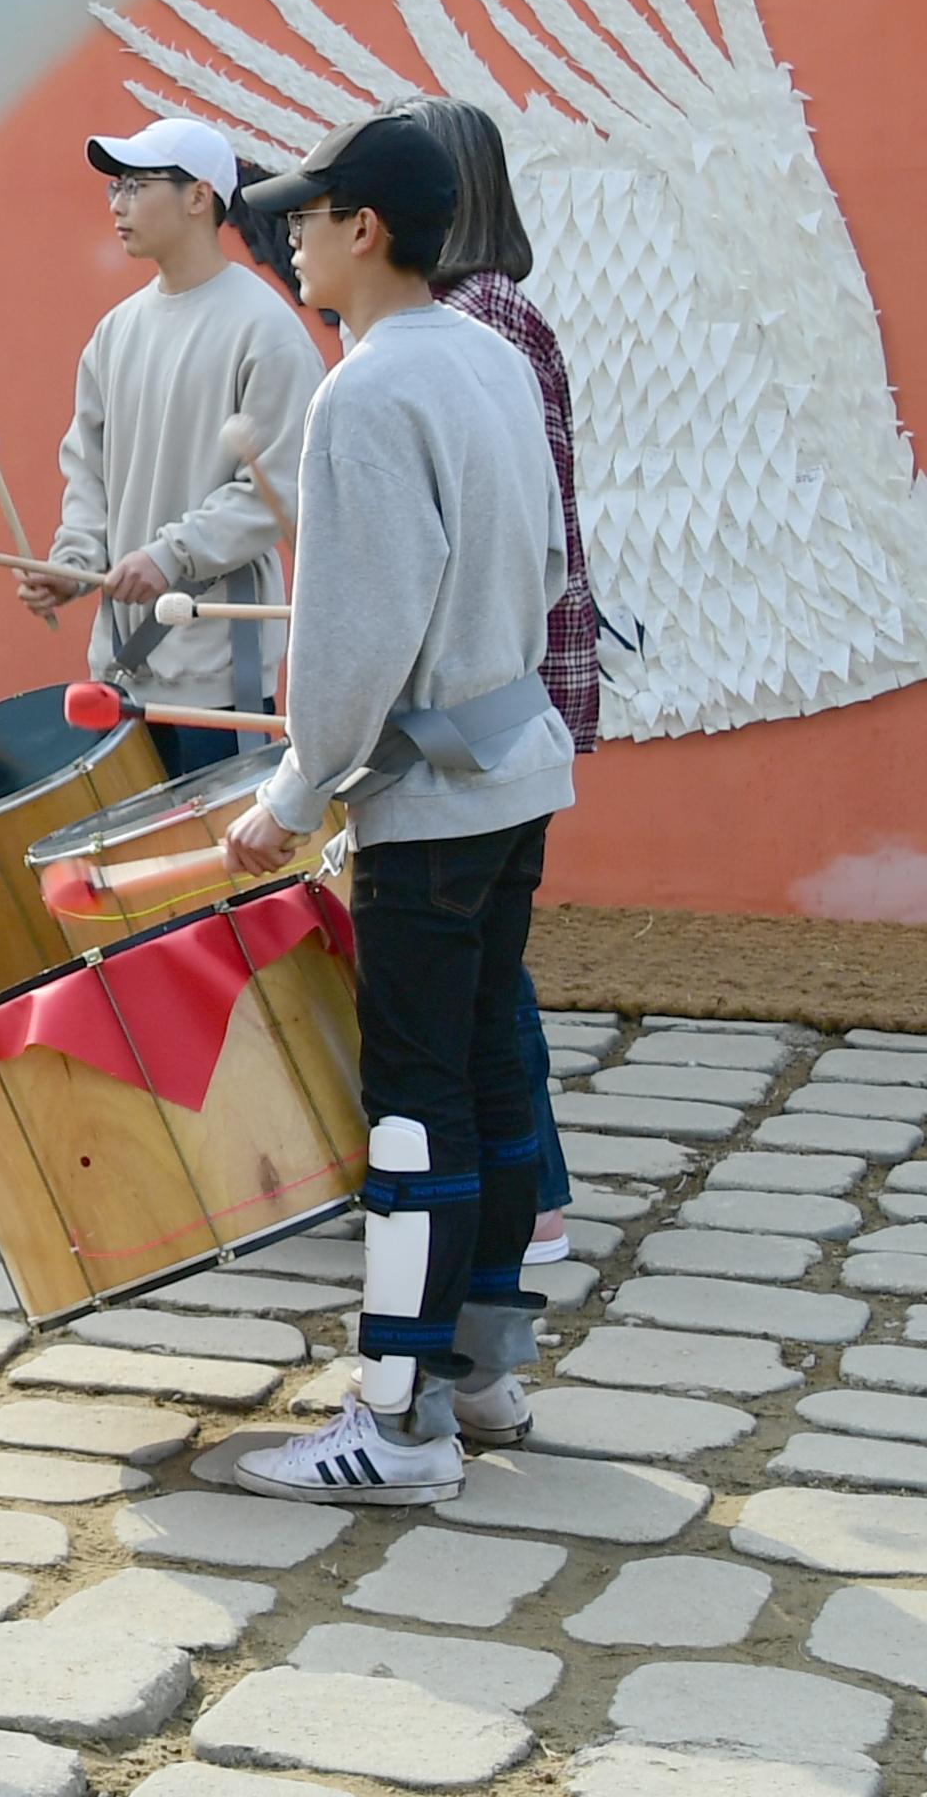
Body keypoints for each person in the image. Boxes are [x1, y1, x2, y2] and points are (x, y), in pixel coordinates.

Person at [225, 113, 576, 1505]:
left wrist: (295, 796)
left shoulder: (364, 393)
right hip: (517, 770)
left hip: (427, 805)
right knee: (490, 1070)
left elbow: (356, 640)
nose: (292, 240)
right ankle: (486, 1374)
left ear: (362, 231)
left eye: (304, 219)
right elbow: (549, 561)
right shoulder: (490, 355)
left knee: (417, 1107)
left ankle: (397, 1418)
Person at [409, 95, 599, 1270]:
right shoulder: (491, 313)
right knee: (484, 955)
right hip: (508, 669)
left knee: (483, 963)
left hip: (490, 677)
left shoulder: (475, 319)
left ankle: (532, 1198)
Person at [23, 117, 323, 777]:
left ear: (199, 197)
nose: (117, 202)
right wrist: (72, 563)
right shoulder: (115, 331)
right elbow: (88, 472)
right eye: (114, 187)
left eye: (136, 184)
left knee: (231, 871)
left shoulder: (265, 328)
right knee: (142, 870)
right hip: (123, 662)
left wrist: (170, 553)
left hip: (220, 667)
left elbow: (283, 488)